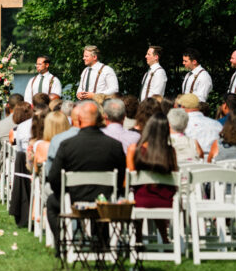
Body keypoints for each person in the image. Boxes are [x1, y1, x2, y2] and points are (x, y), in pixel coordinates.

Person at [46, 102, 126, 242]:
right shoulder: (115, 145)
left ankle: (61, 243)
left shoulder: (67, 145)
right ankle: (103, 240)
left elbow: (53, 177)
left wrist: (64, 193)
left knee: (52, 201)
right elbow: (121, 177)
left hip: (74, 198)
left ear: (79, 120)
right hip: (105, 199)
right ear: (100, 119)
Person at [129, 113, 178, 241]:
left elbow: (131, 178)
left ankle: (138, 238)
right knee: (158, 192)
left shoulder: (135, 149)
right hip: (166, 201)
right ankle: (165, 239)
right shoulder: (170, 151)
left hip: (140, 201)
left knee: (137, 193)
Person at [0, 93, 24, 203]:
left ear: (8, 106)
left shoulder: (0, 125)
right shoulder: (28, 122)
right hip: (25, 159)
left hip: (7, 160)